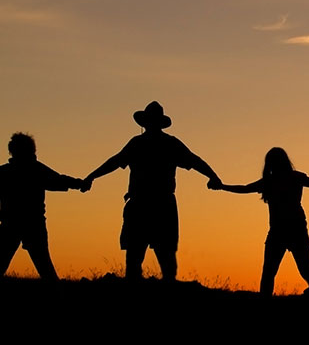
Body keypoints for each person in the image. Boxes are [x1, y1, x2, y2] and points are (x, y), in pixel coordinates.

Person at [81, 101, 222, 281]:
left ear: (145, 122)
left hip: (144, 205)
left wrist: (91, 177)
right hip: (159, 205)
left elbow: (115, 162)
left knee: (141, 257)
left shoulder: (139, 144)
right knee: (160, 258)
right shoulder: (168, 144)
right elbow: (194, 161)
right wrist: (213, 177)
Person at [210, 147, 309, 297]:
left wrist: (222, 186)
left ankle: (303, 294)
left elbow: (244, 189)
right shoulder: (289, 179)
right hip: (290, 229)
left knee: (274, 271)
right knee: (302, 270)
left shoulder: (273, 181)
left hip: (286, 230)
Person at [0, 133, 83, 280]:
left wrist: (78, 183)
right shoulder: (36, 170)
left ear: (12, 151)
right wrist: (79, 183)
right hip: (32, 225)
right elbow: (59, 180)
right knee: (45, 270)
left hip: (11, 224)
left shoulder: (5, 172)